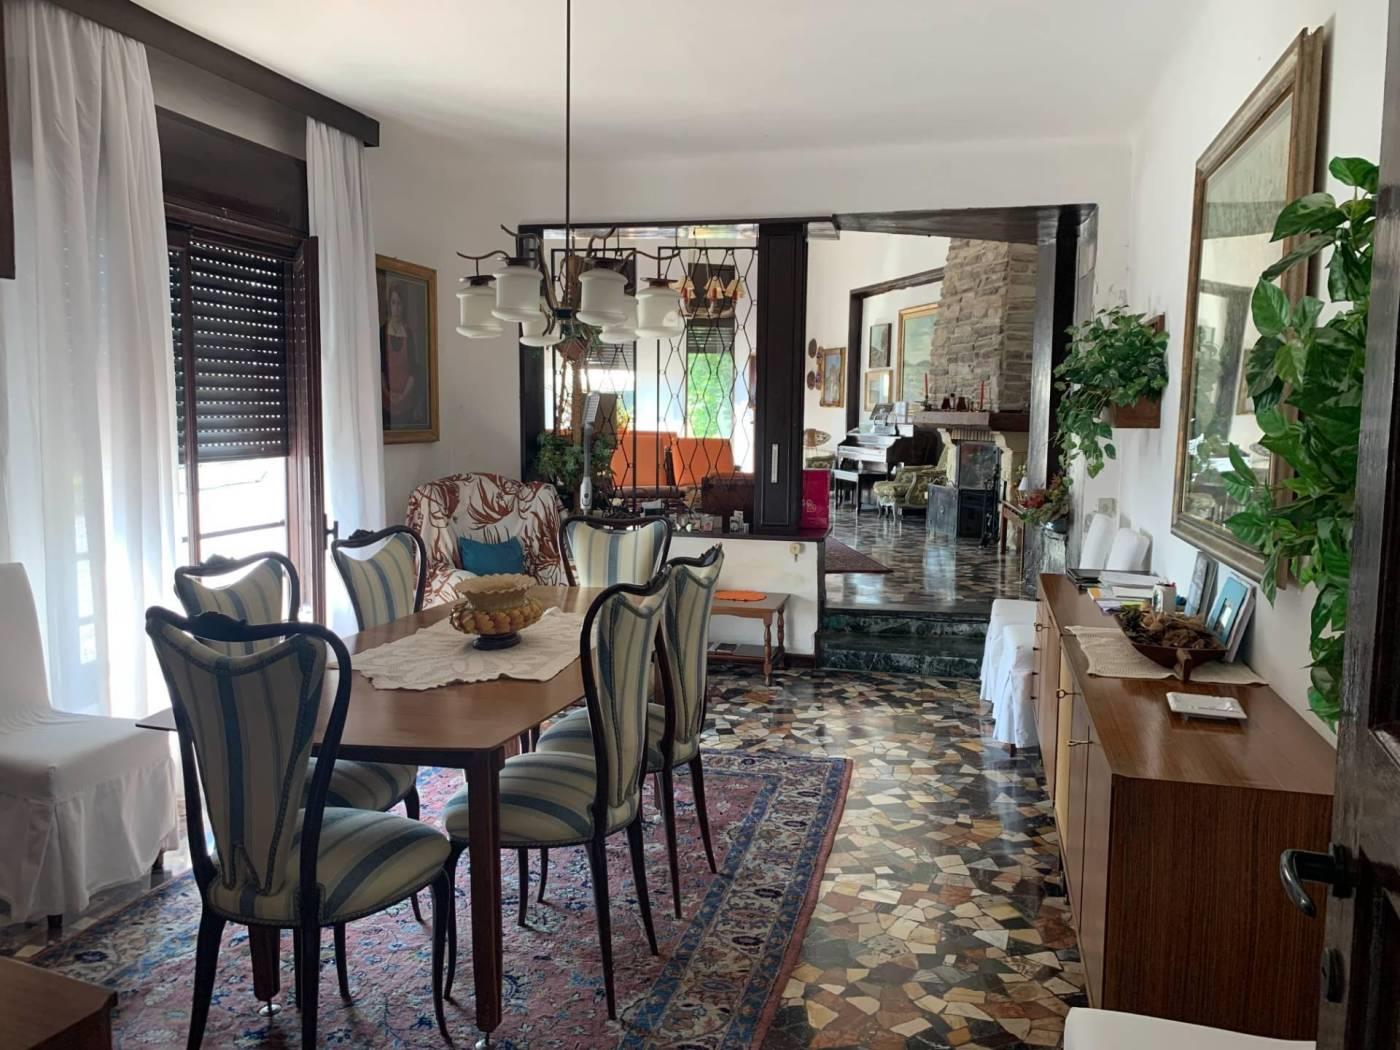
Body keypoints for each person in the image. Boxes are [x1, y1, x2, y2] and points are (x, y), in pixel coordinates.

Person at [381, 282, 421, 427]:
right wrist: (388, 394)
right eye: (393, 303)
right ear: (389, 305)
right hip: (386, 402)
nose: (396, 308)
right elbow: (380, 368)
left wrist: (403, 395)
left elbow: (413, 370)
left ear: (403, 306)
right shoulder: (382, 332)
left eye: (399, 303)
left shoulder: (408, 334)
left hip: (406, 402)